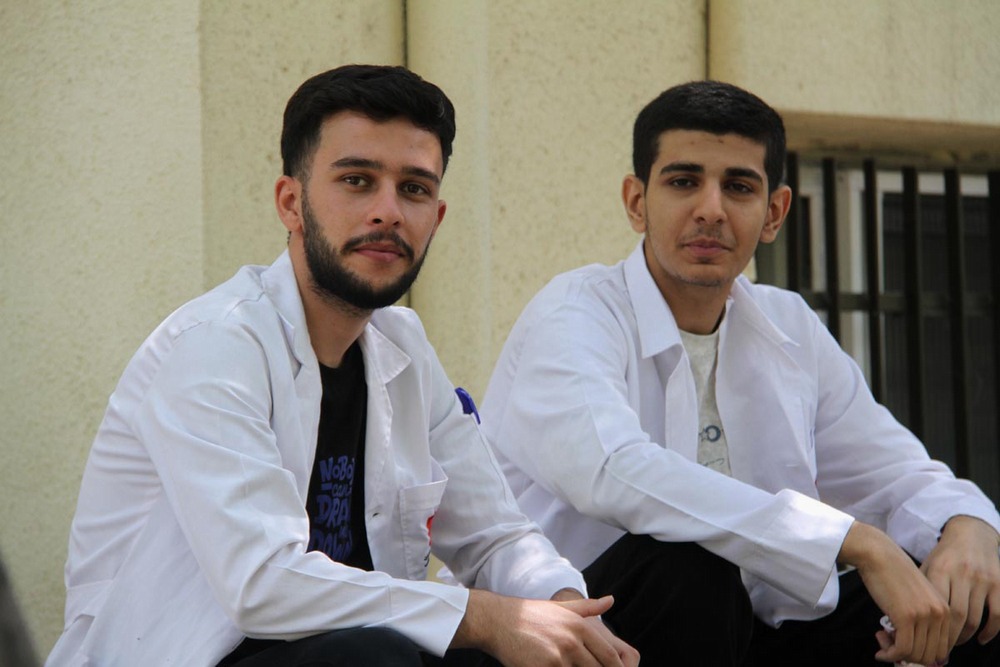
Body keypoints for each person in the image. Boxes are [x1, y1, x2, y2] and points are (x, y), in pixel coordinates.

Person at [46, 65, 638, 667]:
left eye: (414, 189)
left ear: (436, 218)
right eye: (357, 181)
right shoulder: (215, 346)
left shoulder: (403, 347)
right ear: (291, 203)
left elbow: (496, 535)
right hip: (206, 655)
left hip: (368, 650)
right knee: (381, 652)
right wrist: (486, 618)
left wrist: (565, 610)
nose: (388, 211)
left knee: (659, 577)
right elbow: (263, 584)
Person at [480, 80, 1000, 667]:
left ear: (774, 212)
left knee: (975, 599)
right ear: (636, 202)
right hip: (578, 630)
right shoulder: (576, 313)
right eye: (683, 182)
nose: (711, 209)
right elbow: (613, 471)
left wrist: (968, 526)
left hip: (751, 631)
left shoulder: (788, 324)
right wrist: (856, 542)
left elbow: (896, 475)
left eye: (739, 186)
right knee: (689, 564)